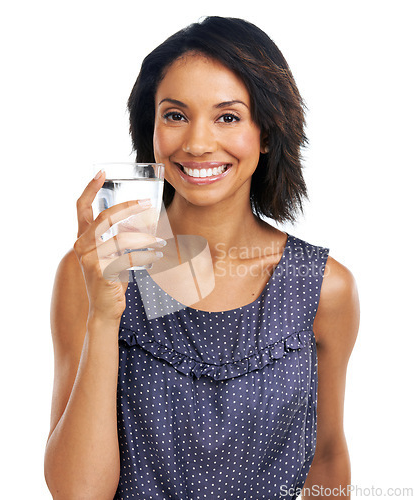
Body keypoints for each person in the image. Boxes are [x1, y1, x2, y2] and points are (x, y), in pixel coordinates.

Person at [44, 16, 359, 500]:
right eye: (175, 115)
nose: (196, 143)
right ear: (149, 128)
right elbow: (78, 493)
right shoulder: (91, 269)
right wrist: (106, 316)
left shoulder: (322, 287)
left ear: (267, 133)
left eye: (227, 117)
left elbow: (328, 456)